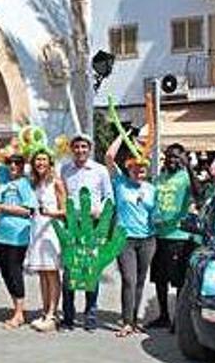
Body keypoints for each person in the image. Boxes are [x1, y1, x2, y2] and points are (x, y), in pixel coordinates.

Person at [59, 134, 113, 331]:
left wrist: (99, 210)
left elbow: (109, 197)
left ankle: (90, 315)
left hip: (92, 225)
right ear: (71, 149)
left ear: (89, 149)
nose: (80, 150)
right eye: (76, 147)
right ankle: (68, 317)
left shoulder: (100, 171)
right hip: (71, 226)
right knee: (69, 273)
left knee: (90, 272)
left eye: (84, 147)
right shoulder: (65, 169)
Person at [105, 136, 156, 338]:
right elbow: (109, 157)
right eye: (134, 168)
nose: (138, 171)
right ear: (128, 169)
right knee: (129, 279)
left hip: (148, 239)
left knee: (140, 281)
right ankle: (126, 322)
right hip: (125, 239)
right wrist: (123, 134)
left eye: (142, 169)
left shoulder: (152, 189)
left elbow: (156, 213)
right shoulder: (120, 183)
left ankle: (134, 320)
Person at [147, 143, 201, 331]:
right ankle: (163, 316)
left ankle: (179, 319)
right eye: (169, 156)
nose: (172, 160)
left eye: (176, 156)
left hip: (179, 236)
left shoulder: (186, 177)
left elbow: (198, 193)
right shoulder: (159, 178)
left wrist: (189, 167)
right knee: (159, 279)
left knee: (178, 281)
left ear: (183, 158)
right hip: (158, 235)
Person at [0, 153, 37, 329]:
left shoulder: (24, 184)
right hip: (1, 233)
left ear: (22, 166)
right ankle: (17, 308)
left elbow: (28, 211)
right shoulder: (4, 182)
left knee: (14, 270)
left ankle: (19, 313)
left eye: (17, 163)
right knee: (5, 272)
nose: (13, 166)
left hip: (17, 235)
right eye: (10, 163)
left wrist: (2, 207)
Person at [25, 148, 65, 333]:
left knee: (51, 272)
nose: (40, 163)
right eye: (37, 160)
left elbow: (66, 210)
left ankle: (53, 313)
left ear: (50, 162)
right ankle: (45, 309)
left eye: (43, 159)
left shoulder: (56, 182)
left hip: (51, 230)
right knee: (42, 272)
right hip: (37, 229)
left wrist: (50, 213)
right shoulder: (34, 183)